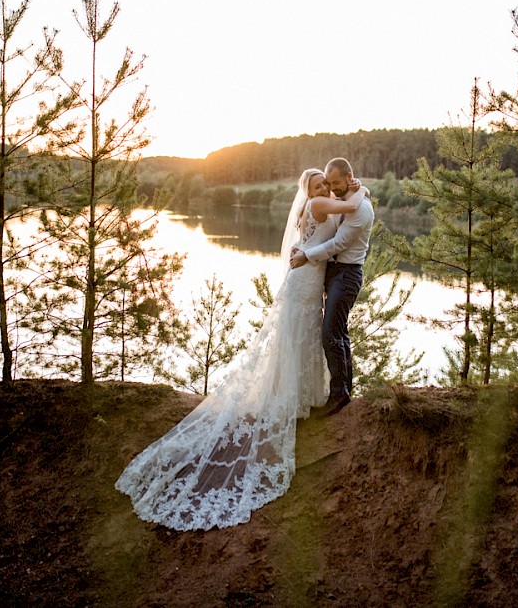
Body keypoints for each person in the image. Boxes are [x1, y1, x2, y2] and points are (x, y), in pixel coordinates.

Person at [115, 168, 369, 531]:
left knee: (301, 337)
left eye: (326, 183)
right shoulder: (318, 204)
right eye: (317, 184)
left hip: (310, 280)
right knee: (297, 335)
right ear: (308, 190)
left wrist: (352, 192)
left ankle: (298, 396)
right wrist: (360, 189)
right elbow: (353, 204)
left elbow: (344, 212)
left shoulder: (322, 202)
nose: (324, 188)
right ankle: (290, 399)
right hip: (305, 280)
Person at [289, 157, 374, 418]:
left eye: (334, 183)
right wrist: (359, 189)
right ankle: (342, 390)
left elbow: (337, 243)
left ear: (349, 177)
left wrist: (306, 254)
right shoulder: (341, 201)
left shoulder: (360, 210)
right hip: (329, 273)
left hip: (346, 275)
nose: (331, 188)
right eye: (326, 183)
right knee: (337, 331)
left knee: (330, 334)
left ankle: (340, 393)